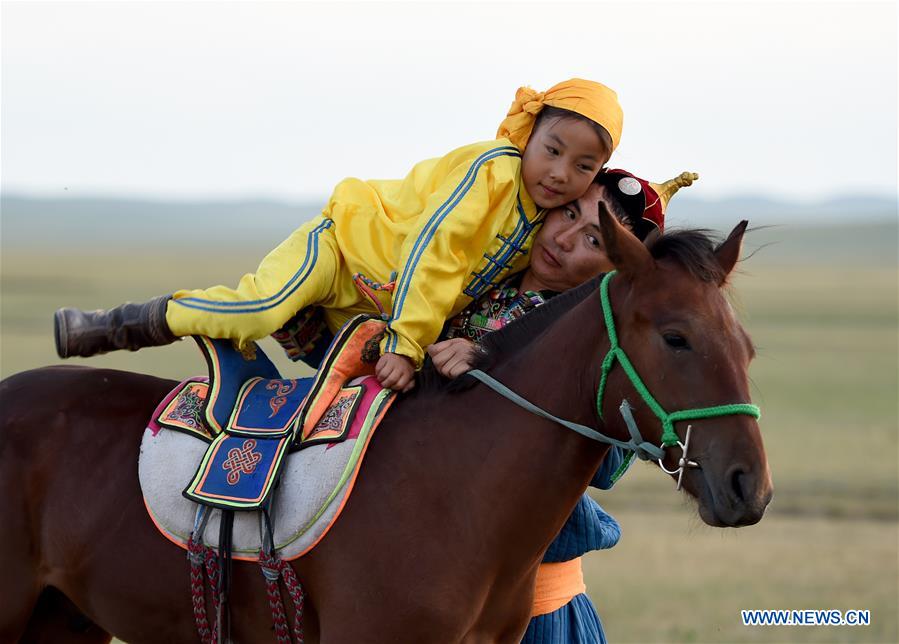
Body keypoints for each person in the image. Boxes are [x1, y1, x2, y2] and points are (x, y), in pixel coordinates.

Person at [54, 79, 625, 393]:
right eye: (552, 150)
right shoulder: (492, 172)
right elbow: (436, 252)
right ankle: (123, 324)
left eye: (581, 166)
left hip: (375, 305)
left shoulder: (538, 221)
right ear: (528, 134)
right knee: (260, 308)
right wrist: (406, 343)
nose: (559, 174)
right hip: (343, 253)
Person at [428, 168, 697, 644]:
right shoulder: (475, 280)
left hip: (535, 605)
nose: (565, 238)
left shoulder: (602, 346)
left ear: (617, 270)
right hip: (430, 579)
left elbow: (605, 466)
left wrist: (492, 367)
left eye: (594, 239)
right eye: (569, 212)